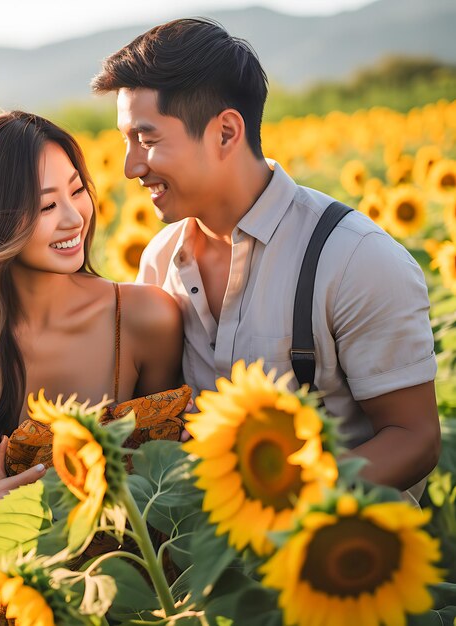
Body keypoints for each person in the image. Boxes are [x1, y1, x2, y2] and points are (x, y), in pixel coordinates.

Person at [91, 18, 441, 502]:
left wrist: (279, 500)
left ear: (226, 132)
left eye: (146, 140)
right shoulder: (159, 258)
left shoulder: (355, 258)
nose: (131, 166)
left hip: (326, 555)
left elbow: (414, 439)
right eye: (125, 141)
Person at [0, 111, 185, 624]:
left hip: (132, 593)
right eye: (46, 205)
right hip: (10, 599)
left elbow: (172, 482)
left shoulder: (143, 318)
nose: (73, 218)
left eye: (77, 191)